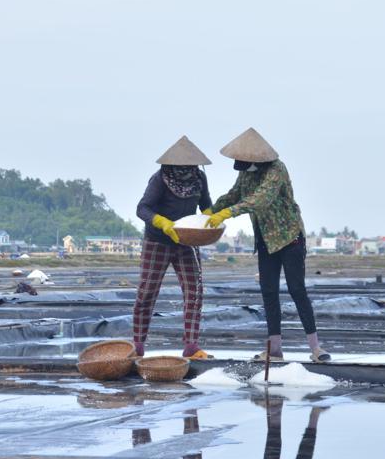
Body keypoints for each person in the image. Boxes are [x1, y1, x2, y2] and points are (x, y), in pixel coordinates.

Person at [207, 128, 330, 363]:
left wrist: (227, 213)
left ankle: (316, 348)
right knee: (269, 291)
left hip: (289, 237)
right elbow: (235, 194)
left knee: (297, 290)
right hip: (265, 239)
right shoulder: (246, 174)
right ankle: (274, 350)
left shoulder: (276, 169)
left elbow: (260, 199)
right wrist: (211, 211)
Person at [134, 136, 213, 360]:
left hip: (187, 241)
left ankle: (191, 346)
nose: (189, 168)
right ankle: (138, 344)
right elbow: (142, 209)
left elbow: (205, 203)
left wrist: (209, 219)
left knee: (194, 291)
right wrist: (163, 223)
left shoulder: (199, 179)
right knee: (147, 292)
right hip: (158, 241)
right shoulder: (159, 179)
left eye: (192, 165)